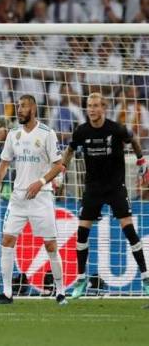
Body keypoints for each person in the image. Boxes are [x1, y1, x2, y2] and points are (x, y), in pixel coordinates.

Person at [61, 93, 149, 298]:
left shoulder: (115, 129)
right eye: (89, 106)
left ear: (104, 108)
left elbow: (133, 140)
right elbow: (70, 149)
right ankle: (81, 280)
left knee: (129, 230)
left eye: (95, 106)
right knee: (82, 232)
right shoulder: (81, 131)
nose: (91, 109)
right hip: (92, 188)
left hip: (115, 187)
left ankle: (145, 278)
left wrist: (141, 162)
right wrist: (62, 169)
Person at [0, 95, 66, 305]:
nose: (19, 110)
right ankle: (6, 293)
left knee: (50, 245)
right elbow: (5, 162)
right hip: (18, 198)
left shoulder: (47, 134)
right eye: (18, 106)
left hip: (41, 198)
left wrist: (40, 182)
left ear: (32, 108)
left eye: (22, 106)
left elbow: (59, 165)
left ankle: (60, 292)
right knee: (7, 240)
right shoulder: (13, 134)